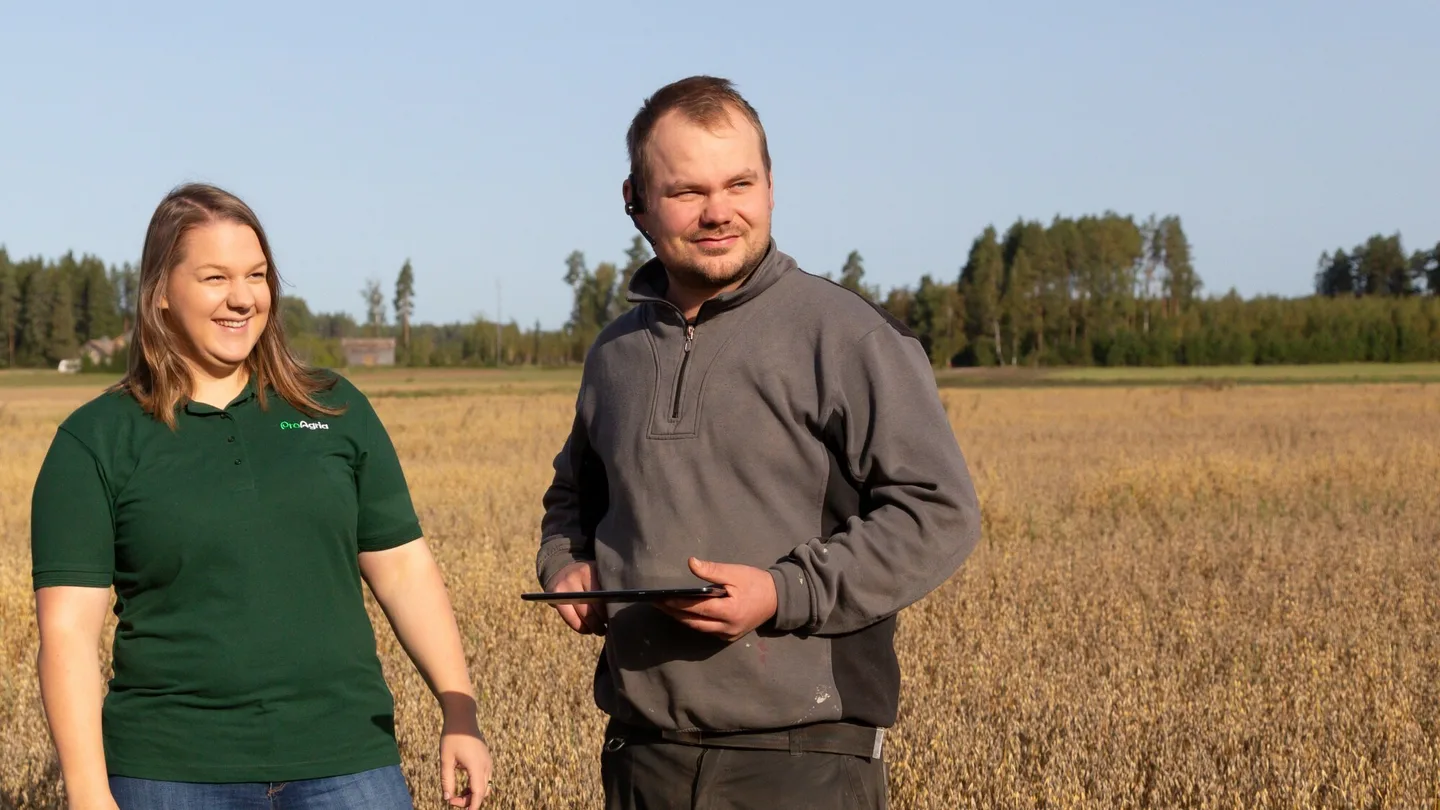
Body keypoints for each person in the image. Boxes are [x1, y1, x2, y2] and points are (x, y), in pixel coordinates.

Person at [536, 75, 983, 809]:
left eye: (740, 183)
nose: (719, 212)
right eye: (687, 192)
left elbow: (940, 511)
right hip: (642, 755)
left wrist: (783, 592)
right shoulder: (615, 354)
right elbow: (571, 501)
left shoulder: (845, 336)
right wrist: (566, 566)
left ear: (771, 186)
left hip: (802, 759)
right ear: (636, 201)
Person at [30, 183, 492, 810]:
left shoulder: (333, 406)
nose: (242, 298)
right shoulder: (96, 440)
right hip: (170, 774)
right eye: (215, 277)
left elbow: (405, 568)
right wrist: (88, 793)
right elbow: (67, 632)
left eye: (256, 275)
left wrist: (457, 707)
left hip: (347, 763)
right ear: (161, 292)